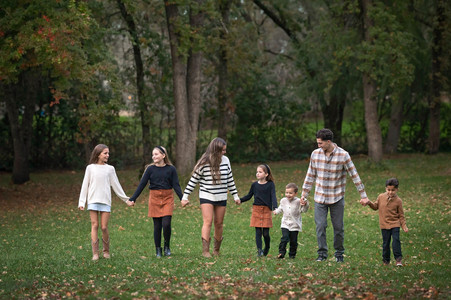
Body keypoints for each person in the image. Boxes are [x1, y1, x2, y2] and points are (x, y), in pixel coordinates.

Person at [300, 128, 369, 263]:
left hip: (336, 197)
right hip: (320, 198)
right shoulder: (315, 154)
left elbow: (354, 175)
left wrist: (363, 195)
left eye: (320, 143)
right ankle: (322, 254)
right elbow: (310, 175)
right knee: (320, 226)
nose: (318, 146)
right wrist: (304, 194)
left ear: (328, 141)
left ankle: (339, 254)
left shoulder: (343, 155)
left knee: (338, 228)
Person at [181, 137, 240, 257]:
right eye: (222, 150)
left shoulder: (226, 161)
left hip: (221, 195)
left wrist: (235, 196)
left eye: (225, 150)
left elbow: (230, 179)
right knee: (208, 221)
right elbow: (193, 180)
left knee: (219, 223)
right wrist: (185, 196)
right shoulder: (204, 162)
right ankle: (205, 251)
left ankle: (216, 250)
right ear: (216, 150)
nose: (224, 152)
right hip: (206, 194)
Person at [78, 144, 133, 261]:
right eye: (105, 153)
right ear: (98, 154)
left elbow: (116, 185)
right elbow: (85, 185)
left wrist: (126, 200)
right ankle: (95, 253)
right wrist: (82, 202)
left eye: (108, 153)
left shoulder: (110, 169)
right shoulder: (90, 168)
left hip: (105, 201)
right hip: (93, 200)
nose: (107, 155)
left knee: (103, 227)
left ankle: (106, 251)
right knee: (95, 225)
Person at [129, 146, 183, 258]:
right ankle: (158, 249)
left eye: (156, 154)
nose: (154, 156)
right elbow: (142, 184)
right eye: (153, 154)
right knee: (157, 226)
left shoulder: (171, 169)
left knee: (166, 224)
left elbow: (176, 185)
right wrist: (133, 198)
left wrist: (182, 198)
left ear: (163, 155)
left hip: (168, 197)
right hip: (154, 198)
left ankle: (167, 246)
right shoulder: (150, 169)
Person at [362, 178, 408, 266]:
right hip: (384, 225)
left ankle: (398, 259)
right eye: (388, 190)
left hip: (395, 224)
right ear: (385, 188)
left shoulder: (398, 201)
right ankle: (386, 261)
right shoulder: (381, 197)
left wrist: (404, 226)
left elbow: (401, 215)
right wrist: (369, 203)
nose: (390, 192)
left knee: (396, 241)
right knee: (386, 243)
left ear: (397, 189)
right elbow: (375, 207)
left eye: (393, 190)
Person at [239, 164, 278, 257]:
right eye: (257, 172)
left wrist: (275, 208)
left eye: (260, 172)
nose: (257, 173)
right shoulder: (254, 185)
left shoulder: (270, 184)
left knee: (265, 233)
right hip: (256, 209)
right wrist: (240, 200)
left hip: (266, 210)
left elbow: (273, 196)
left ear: (266, 174)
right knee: (258, 232)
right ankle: (259, 250)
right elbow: (249, 196)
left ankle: (267, 246)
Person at [273, 183, 309, 259]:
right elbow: (281, 208)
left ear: (295, 193)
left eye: (290, 193)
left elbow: (304, 210)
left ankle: (292, 255)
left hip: (295, 225)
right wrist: (276, 211)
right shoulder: (283, 200)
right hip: (285, 224)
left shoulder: (298, 201)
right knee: (284, 238)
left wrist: (305, 204)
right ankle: (281, 253)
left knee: (293, 241)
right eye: (287, 193)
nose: (288, 195)